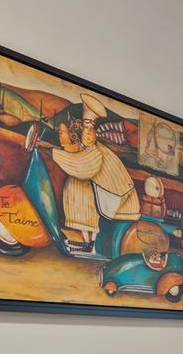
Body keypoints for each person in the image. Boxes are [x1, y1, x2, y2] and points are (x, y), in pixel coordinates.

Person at [47, 92, 139, 256]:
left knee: (82, 196)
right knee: (76, 189)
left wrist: (55, 154)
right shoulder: (83, 147)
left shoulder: (95, 151)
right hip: (97, 187)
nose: (88, 135)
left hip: (113, 192)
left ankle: (89, 245)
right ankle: (84, 242)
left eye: (90, 132)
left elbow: (85, 167)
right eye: (86, 131)